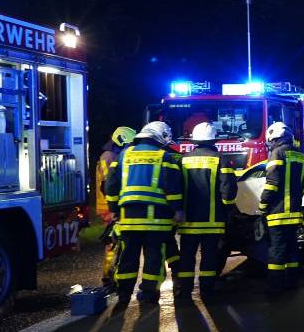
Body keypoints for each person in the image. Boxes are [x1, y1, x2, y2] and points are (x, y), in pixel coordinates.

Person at [103, 121, 183, 305]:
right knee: (153, 258)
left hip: (129, 219)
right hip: (156, 220)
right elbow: (173, 188)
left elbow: (111, 185)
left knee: (128, 257)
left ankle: (123, 294)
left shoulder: (124, 155)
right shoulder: (165, 157)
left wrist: (114, 209)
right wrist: (177, 209)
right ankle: (148, 294)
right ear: (161, 138)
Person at [174, 122, 237, 302]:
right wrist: (228, 208)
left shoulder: (183, 159)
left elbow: (176, 187)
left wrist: (178, 210)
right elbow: (228, 191)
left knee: (186, 257)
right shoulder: (221, 159)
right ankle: (206, 292)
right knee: (209, 257)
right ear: (214, 139)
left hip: (188, 221)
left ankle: (184, 292)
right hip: (213, 220)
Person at [258, 121, 304, 293]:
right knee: (292, 246)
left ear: (274, 137)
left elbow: (272, 183)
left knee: (276, 250)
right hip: (294, 212)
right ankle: (292, 281)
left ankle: (275, 285)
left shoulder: (277, 153)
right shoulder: (300, 156)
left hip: (277, 213)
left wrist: (263, 204)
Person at [97, 126, 136, 291]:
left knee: (117, 243)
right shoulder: (109, 157)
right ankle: (108, 278)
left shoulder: (112, 155)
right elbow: (108, 185)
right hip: (109, 208)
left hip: (110, 206)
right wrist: (115, 210)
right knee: (113, 244)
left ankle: (113, 276)